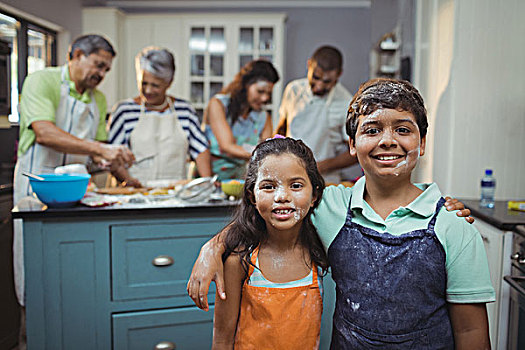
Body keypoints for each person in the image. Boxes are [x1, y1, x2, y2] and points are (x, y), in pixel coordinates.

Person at [187, 79, 492, 349]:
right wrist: (212, 247)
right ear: (352, 144)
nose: (387, 140)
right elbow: (269, 210)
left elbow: (471, 329)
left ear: (422, 142)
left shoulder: (453, 225)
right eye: (371, 130)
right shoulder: (330, 205)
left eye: (402, 129)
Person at [13, 34, 134, 305]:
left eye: (106, 69)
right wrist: (100, 149)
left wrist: (125, 173)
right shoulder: (42, 80)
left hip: (79, 193)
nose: (101, 73)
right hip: (37, 191)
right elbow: (44, 132)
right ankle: (30, 334)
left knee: (74, 267)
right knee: (34, 263)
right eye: (98, 64)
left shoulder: (98, 99)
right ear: (76, 55)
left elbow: (98, 152)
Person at [212, 137, 328, 349]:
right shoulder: (239, 261)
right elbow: (222, 339)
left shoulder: (321, 254)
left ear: (314, 195)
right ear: (252, 197)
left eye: (295, 185)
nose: (282, 196)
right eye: (268, 186)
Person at [108, 46, 211, 187]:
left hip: (175, 193)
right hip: (134, 193)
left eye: (155, 85)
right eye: (143, 83)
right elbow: (114, 159)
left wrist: (207, 184)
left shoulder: (185, 111)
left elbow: (200, 150)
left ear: (169, 82)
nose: (148, 90)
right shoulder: (124, 111)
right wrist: (130, 182)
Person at [275, 45, 358, 183]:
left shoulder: (346, 103)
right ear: (309, 65)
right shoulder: (293, 90)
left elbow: (355, 153)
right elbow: (281, 128)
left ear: (339, 74)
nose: (319, 85)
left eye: (327, 82)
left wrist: (317, 167)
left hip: (325, 180)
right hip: (288, 175)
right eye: (316, 77)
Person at [203, 59, 279, 181]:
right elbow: (227, 146)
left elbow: (267, 148)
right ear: (245, 85)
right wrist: (263, 154)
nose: (265, 98)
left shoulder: (263, 118)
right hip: (209, 178)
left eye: (268, 94)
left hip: (239, 181)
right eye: (260, 91)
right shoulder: (218, 105)